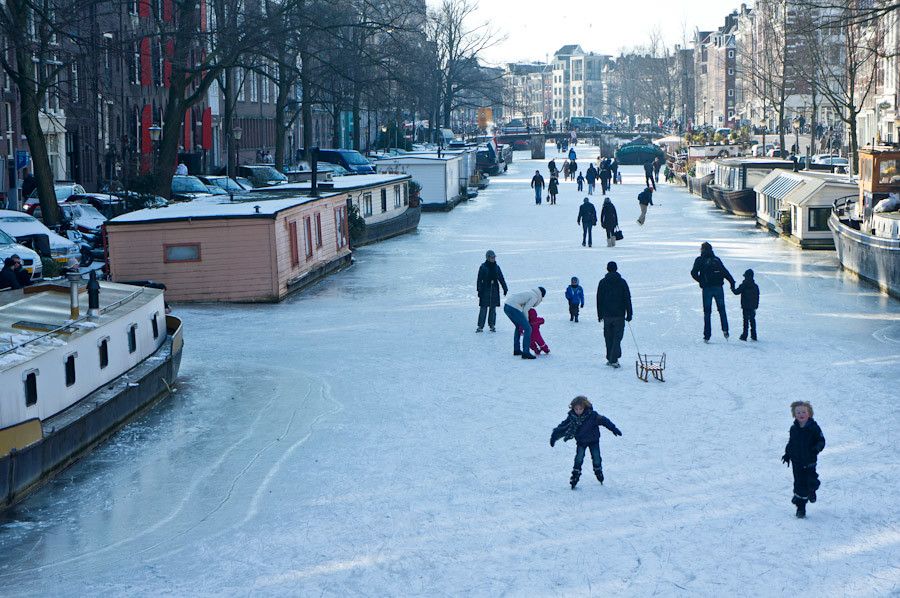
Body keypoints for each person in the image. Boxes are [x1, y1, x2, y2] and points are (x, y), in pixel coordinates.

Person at [550, 395, 622, 489]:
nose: (578, 411)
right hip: (581, 442)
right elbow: (562, 427)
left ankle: (598, 471)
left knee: (596, 458)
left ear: (585, 407)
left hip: (594, 441)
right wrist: (554, 436)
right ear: (573, 408)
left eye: (580, 409)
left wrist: (614, 429)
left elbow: (605, 421)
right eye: (576, 409)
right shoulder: (572, 418)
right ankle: (575, 475)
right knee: (578, 458)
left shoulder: (593, 416)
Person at [781, 401, 825, 519]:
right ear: (794, 415)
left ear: (809, 413)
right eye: (798, 412)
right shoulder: (793, 429)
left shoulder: (814, 428)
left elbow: (821, 440)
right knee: (799, 484)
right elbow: (791, 443)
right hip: (797, 462)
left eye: (804, 412)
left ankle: (812, 490)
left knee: (811, 480)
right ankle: (801, 508)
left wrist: (816, 448)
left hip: (809, 460)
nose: (801, 414)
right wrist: (787, 454)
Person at [690, 242, 736, 343]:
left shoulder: (700, 260)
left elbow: (693, 273)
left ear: (702, 250)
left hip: (707, 289)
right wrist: (732, 283)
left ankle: (707, 336)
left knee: (707, 312)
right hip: (718, 288)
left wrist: (701, 281)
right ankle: (725, 330)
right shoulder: (716, 260)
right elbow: (725, 272)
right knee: (722, 310)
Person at [596, 261, 632, 368]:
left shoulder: (602, 282)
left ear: (607, 269)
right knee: (617, 337)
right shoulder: (622, 282)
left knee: (608, 337)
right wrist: (629, 313)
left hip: (607, 315)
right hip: (619, 315)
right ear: (616, 269)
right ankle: (614, 359)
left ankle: (611, 358)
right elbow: (627, 298)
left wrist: (600, 314)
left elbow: (599, 299)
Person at [503, 287, 546, 359]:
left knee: (518, 326)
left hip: (507, 306)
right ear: (541, 295)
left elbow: (523, 308)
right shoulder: (535, 297)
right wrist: (527, 322)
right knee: (528, 328)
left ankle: (516, 350)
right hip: (513, 307)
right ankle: (526, 352)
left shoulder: (530, 293)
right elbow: (526, 310)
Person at [476, 250, 508, 333]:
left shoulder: (496, 267)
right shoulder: (483, 267)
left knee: (493, 309)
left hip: (494, 290)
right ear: (488, 258)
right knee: (483, 308)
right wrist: (479, 290)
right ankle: (480, 326)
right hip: (485, 290)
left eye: (494, 257)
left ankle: (492, 325)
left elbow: (501, 278)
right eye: (492, 257)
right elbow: (479, 279)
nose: (493, 259)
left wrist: (505, 288)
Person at [732, 268, 760, 341]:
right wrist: (756, 306)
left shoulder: (744, 285)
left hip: (745, 306)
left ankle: (744, 335)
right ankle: (754, 335)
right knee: (752, 320)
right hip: (753, 306)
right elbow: (757, 296)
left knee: (745, 321)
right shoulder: (755, 286)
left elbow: (736, 292)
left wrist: (732, 287)